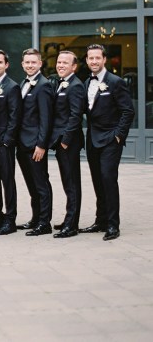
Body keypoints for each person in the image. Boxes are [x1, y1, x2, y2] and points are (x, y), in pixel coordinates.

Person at [81, 44, 134, 241]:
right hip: (92, 140)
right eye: (90, 58)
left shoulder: (115, 81)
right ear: (86, 61)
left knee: (108, 179)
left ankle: (113, 225)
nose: (94, 61)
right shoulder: (86, 82)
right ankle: (100, 220)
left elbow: (128, 111)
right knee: (97, 180)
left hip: (111, 139)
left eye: (97, 58)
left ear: (104, 60)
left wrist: (119, 135)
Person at [15, 48, 55, 236]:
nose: (30, 65)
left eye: (33, 62)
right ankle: (36, 217)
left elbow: (46, 119)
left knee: (41, 184)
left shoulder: (44, 85)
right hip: (22, 144)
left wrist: (41, 145)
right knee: (31, 184)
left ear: (40, 63)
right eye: (27, 62)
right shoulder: (24, 82)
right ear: (22, 64)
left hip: (35, 145)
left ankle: (44, 222)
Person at [49, 50, 86, 239]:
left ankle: (71, 225)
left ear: (74, 66)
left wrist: (64, 142)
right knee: (66, 182)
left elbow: (75, 116)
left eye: (65, 63)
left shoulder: (76, 86)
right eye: (59, 62)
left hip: (69, 144)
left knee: (72, 183)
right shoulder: (61, 83)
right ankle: (69, 219)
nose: (60, 65)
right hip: (60, 143)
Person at [0, 50, 22, 235]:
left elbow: (15, 116)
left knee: (7, 181)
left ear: (6, 65)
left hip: (4, 143)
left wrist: (7, 140)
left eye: (0, 62)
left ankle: (10, 219)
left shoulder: (12, 87)